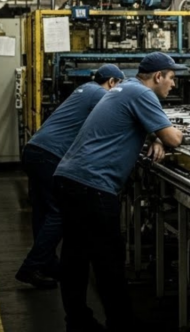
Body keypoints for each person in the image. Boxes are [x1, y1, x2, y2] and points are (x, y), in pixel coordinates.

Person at [54, 52, 185, 332]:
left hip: (70, 178)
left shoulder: (125, 89)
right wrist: (173, 133)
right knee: (109, 260)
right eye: (172, 78)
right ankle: (122, 323)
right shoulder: (144, 95)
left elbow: (133, 124)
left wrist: (154, 136)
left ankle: (77, 320)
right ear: (158, 76)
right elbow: (173, 137)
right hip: (94, 186)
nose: (173, 85)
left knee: (75, 257)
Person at [17, 64, 125, 289]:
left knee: (43, 211)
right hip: (50, 155)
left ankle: (46, 264)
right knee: (59, 212)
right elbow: (118, 116)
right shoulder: (100, 94)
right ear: (112, 82)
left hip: (34, 150)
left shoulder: (84, 89)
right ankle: (32, 266)